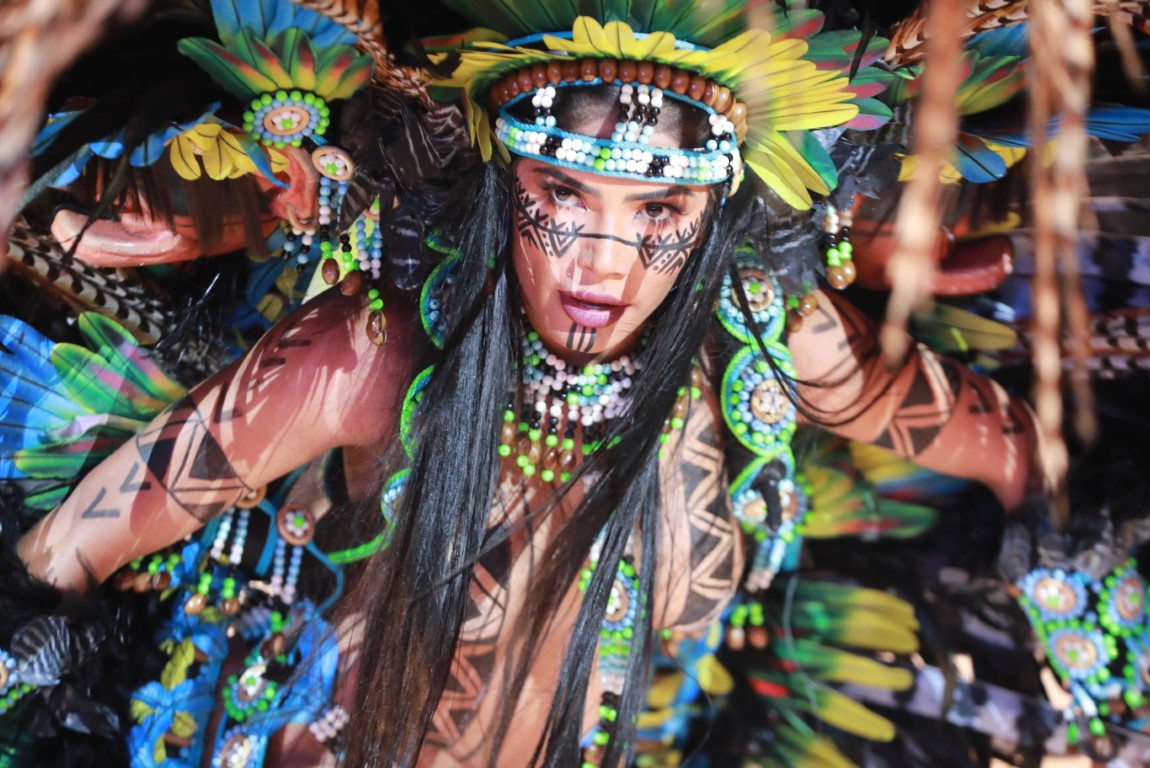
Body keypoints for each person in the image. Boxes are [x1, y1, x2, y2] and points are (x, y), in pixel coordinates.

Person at [8, 3, 1056, 767]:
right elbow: (57, 565)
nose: (602, 264)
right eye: (563, 193)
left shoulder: (771, 342)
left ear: (716, 215)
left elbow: (1026, 462)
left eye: (658, 212)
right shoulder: (370, 354)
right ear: (506, 184)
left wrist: (1063, 534)